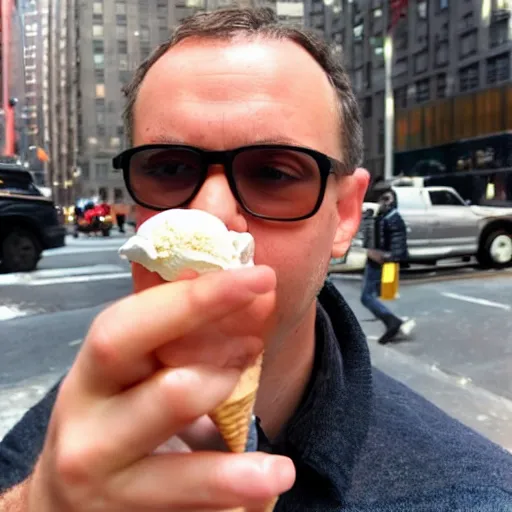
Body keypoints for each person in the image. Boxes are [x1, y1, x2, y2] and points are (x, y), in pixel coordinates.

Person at [1, 8, 511, 511]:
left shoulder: (473, 494)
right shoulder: (53, 436)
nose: (212, 213)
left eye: (273, 172)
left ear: (346, 214)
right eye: (170, 167)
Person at [360, 189, 413, 344]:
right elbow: (368, 236)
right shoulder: (379, 216)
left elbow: (399, 248)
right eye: (382, 198)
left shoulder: (393, 218)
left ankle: (392, 322)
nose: (385, 202)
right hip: (373, 258)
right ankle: (391, 321)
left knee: (367, 297)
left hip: (380, 261)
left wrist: (383, 256)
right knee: (371, 295)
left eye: (388, 198)